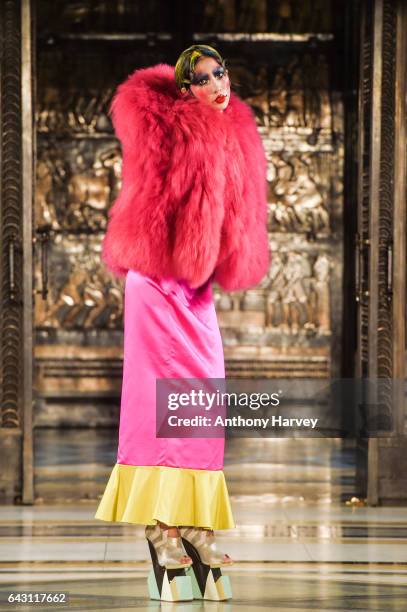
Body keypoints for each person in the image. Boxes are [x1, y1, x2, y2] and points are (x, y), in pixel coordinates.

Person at [94, 44, 270, 600]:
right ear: (183, 90)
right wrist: (181, 119)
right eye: (202, 78)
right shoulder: (169, 128)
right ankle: (163, 529)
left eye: (222, 72)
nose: (219, 83)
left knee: (201, 397)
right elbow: (149, 145)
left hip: (193, 287)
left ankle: (192, 521)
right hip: (155, 277)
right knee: (157, 400)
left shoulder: (233, 132)